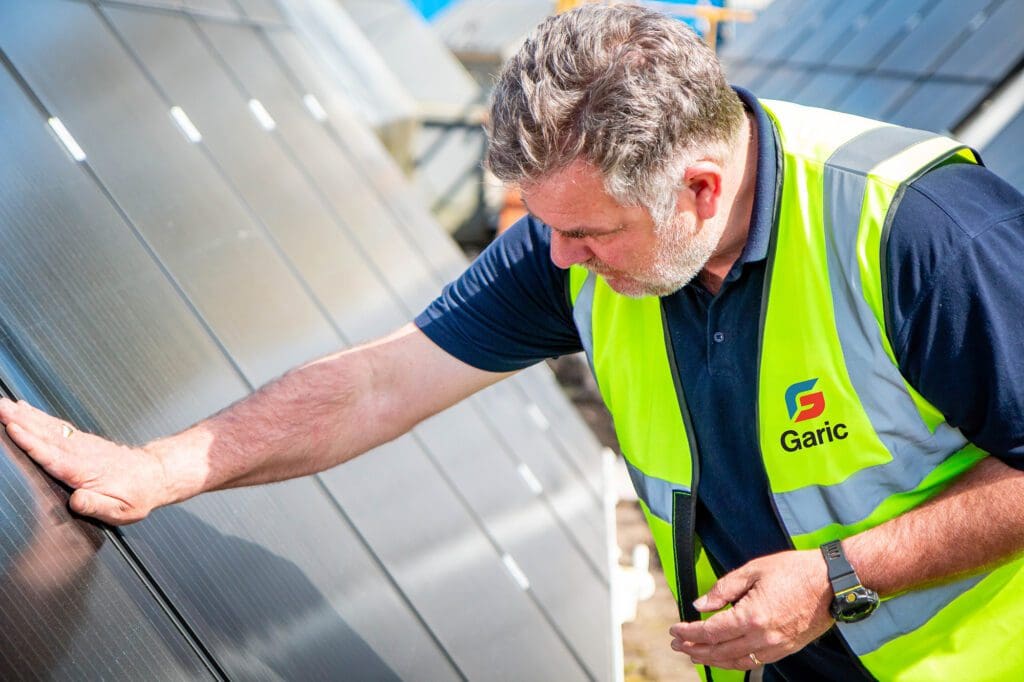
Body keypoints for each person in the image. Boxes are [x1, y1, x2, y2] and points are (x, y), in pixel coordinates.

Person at [1, 4, 1023, 680]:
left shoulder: (924, 236)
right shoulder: (575, 240)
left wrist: (842, 574)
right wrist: (156, 467)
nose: (562, 259)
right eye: (549, 226)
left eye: (588, 232)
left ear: (698, 189)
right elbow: (377, 385)